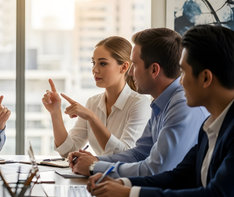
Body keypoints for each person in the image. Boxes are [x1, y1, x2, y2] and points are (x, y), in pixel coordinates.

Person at [87, 24, 234, 197]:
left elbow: (215, 194)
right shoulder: (209, 127)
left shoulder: (193, 111)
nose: (180, 82)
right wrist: (123, 184)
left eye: (184, 73)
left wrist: (129, 193)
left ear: (205, 78)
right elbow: (178, 177)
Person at [68, 28, 209, 178]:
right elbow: (139, 153)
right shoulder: (160, 104)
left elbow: (156, 169)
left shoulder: (182, 105)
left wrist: (95, 167)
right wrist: (95, 160)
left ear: (154, 70)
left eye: (134, 65)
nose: (129, 72)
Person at [42, 36, 151, 157]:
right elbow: (67, 150)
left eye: (103, 63)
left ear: (124, 67)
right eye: (93, 63)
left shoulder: (139, 103)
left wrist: (92, 118)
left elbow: (125, 155)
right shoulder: (93, 103)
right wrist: (55, 112)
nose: (95, 69)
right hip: (100, 174)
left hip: (125, 176)